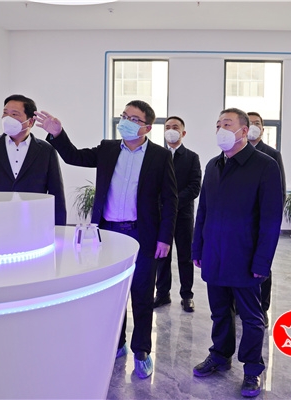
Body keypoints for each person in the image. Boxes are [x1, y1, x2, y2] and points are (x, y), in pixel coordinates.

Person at [34, 100, 177, 380]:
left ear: (147, 128)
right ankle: (117, 343)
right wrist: (58, 133)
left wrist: (164, 237)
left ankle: (141, 351)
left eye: (133, 119)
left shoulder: (160, 156)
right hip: (109, 233)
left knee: (142, 294)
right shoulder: (108, 148)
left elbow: (171, 200)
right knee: (114, 293)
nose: (125, 121)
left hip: (142, 233)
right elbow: (74, 156)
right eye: (124, 115)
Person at [192, 108, 283, 398]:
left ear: (244, 131)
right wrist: (198, 247)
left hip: (245, 257)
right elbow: (203, 211)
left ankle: (252, 369)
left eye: (227, 124)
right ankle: (220, 355)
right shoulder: (213, 165)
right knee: (219, 311)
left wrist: (262, 261)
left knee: (252, 318)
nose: (221, 129)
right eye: (218, 124)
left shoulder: (265, 166)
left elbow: (271, 219)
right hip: (214, 253)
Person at [0, 94, 67, 225]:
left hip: (32, 223)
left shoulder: (46, 151)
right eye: (5, 113)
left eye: (14, 114)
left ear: (30, 122)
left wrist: (59, 228)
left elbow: (56, 194)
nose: (7, 118)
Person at [153, 116, 202, 312]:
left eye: (175, 127)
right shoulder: (157, 156)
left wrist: (172, 203)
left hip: (183, 215)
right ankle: (162, 294)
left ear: (183, 132)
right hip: (161, 215)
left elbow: (194, 187)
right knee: (162, 255)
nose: (171, 130)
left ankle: (187, 295)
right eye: (167, 127)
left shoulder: (192, 157)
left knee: (185, 256)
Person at [247, 111, 286, 328]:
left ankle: (263, 308)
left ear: (263, 128)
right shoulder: (235, 152)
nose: (253, 126)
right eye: (250, 123)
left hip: (262, 222)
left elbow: (280, 192)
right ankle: (241, 305)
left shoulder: (272, 155)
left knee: (263, 265)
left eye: (257, 123)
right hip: (241, 224)